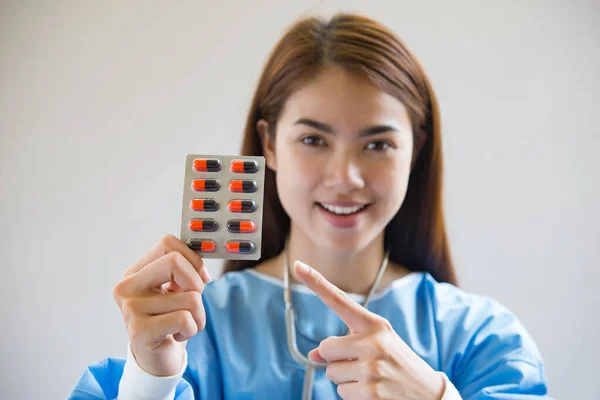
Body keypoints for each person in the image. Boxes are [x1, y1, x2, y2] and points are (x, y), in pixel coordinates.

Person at [68, 12, 551, 400]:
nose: (345, 177)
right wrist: (151, 382)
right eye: (313, 139)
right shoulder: (193, 328)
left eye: (378, 144)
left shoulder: (482, 338)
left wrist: (436, 398)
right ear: (269, 144)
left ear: (416, 150)